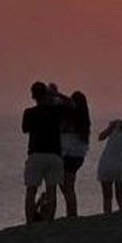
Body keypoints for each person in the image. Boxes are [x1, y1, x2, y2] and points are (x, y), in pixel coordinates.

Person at [22, 81, 65, 223]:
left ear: (33, 95)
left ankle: (29, 221)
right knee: (52, 190)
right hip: (54, 154)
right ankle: (49, 220)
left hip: (36, 153)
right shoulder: (56, 111)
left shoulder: (29, 112)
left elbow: (25, 129)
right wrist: (56, 95)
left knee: (31, 190)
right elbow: (71, 105)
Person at [59, 90, 91, 218]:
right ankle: (71, 212)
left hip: (67, 153)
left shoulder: (72, 116)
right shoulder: (83, 118)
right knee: (68, 186)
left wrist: (59, 95)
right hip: (78, 155)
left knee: (66, 187)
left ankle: (72, 214)